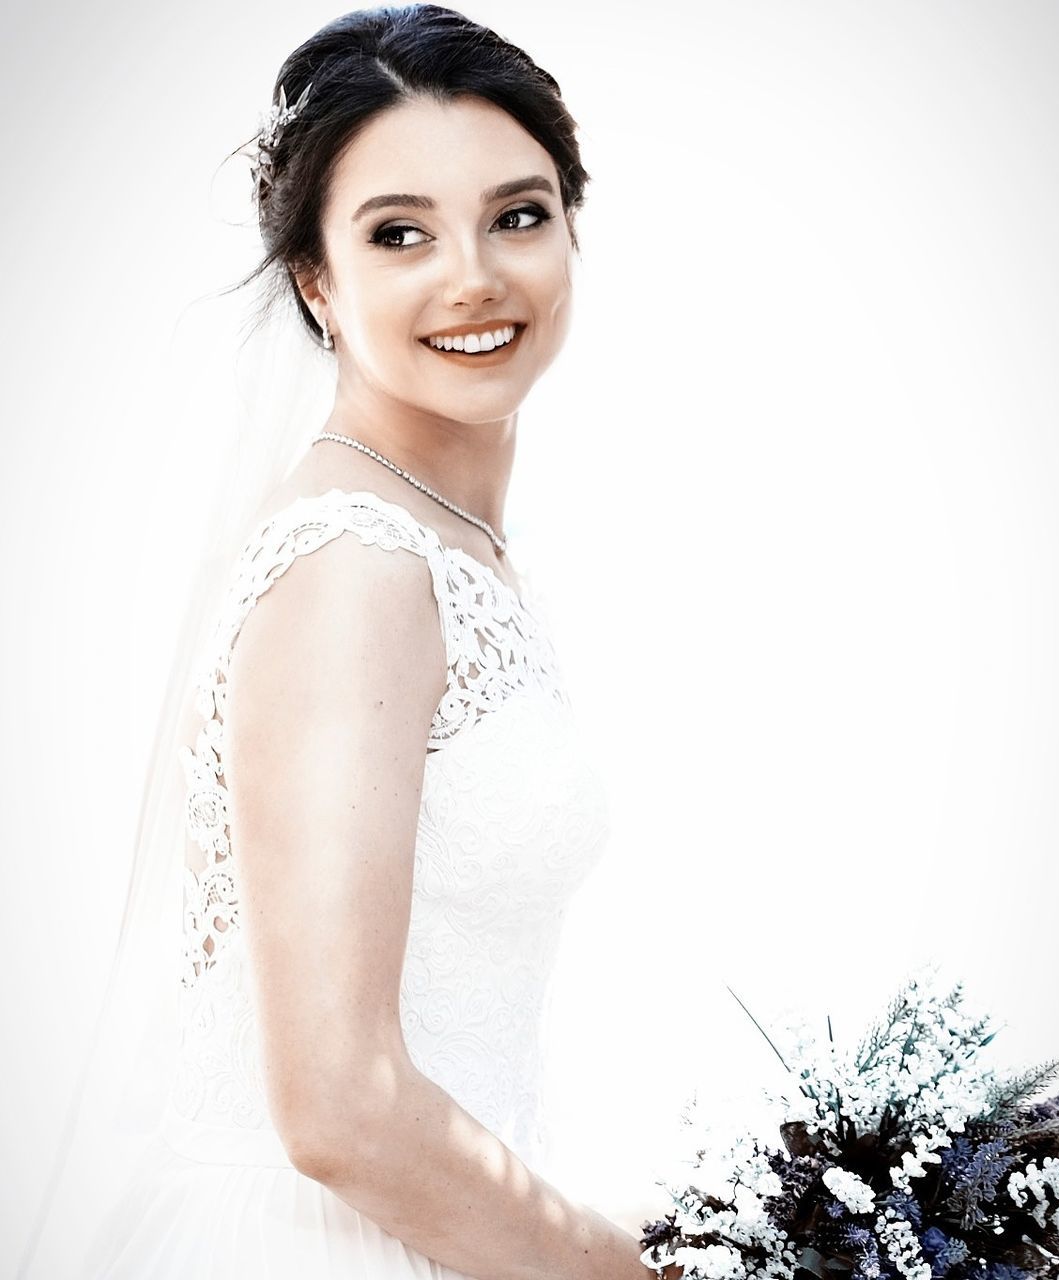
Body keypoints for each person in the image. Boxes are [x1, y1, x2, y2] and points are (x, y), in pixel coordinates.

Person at [17, 5, 684, 1278]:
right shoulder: (356, 566)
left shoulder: (446, 542)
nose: (472, 274)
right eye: (398, 234)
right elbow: (337, 1106)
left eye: (518, 213)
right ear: (316, 280)